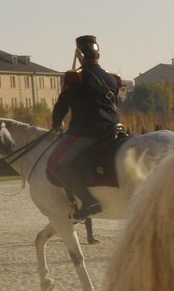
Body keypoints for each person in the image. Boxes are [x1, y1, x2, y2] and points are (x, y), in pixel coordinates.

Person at [51, 34, 125, 220]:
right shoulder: (112, 78)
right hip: (114, 128)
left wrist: (56, 124)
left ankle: (89, 201)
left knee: (57, 165)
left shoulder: (76, 77)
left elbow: (62, 105)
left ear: (79, 55)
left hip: (87, 131)